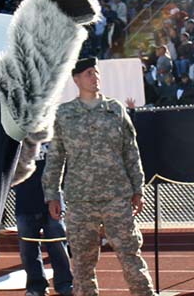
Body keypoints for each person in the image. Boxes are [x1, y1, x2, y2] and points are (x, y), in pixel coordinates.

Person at [44, 58, 155, 296]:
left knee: (130, 257)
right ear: (76, 79)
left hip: (117, 197)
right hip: (81, 201)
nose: (94, 77)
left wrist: (138, 189)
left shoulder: (115, 110)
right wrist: (51, 194)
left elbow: (131, 152)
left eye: (96, 72)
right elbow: (55, 157)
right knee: (83, 265)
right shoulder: (64, 114)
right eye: (88, 73)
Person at [13, 135, 73, 296]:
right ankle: (35, 286)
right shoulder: (17, 139)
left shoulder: (54, 135)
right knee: (28, 248)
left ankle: (65, 283)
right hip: (25, 201)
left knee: (58, 243)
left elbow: (64, 164)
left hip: (52, 200)